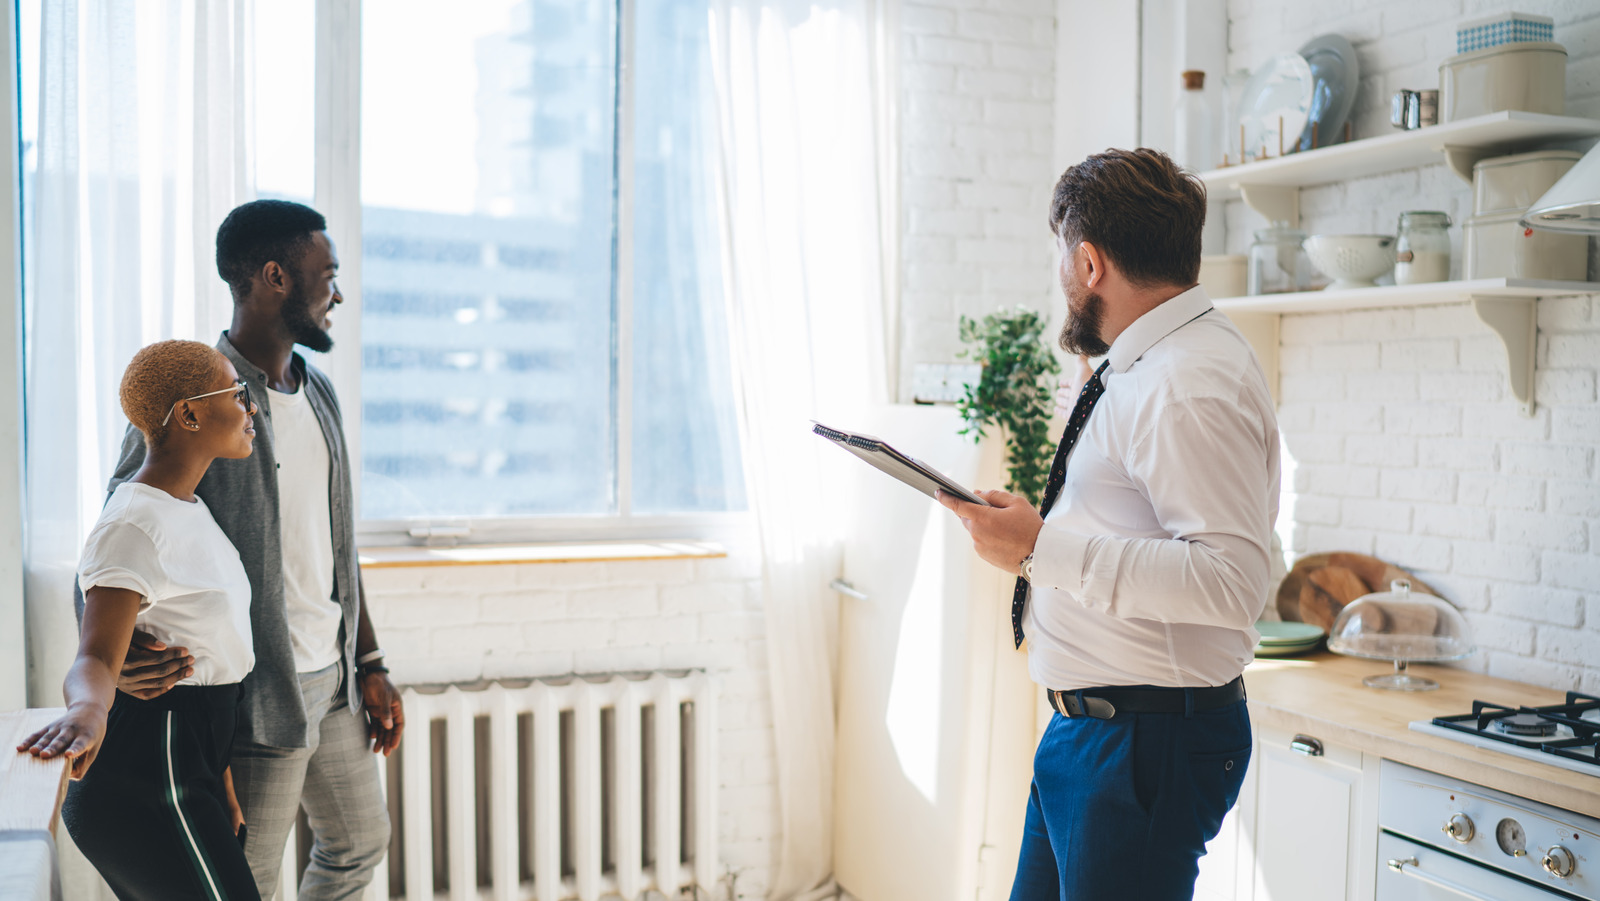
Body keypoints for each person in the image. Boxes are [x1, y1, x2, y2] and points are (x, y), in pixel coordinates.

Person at [937, 148, 1280, 900]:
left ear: (1089, 262)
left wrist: (1039, 547)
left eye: (1063, 256)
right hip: (1096, 733)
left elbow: (1231, 583)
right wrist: (1036, 547)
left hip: (1142, 743)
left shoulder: (1185, 381)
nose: (1062, 276)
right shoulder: (1146, 367)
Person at [96, 200, 404, 900]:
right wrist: (117, 655)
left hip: (334, 685)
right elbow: (119, 525)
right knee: (250, 882)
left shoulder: (318, 391)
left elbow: (336, 541)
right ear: (275, 277)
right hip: (257, 694)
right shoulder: (203, 399)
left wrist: (372, 660)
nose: (338, 293)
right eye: (326, 274)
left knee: (359, 843)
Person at [21, 340, 262, 900]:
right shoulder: (132, 522)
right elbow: (97, 657)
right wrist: (85, 709)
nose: (251, 409)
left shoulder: (189, 510)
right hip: (147, 776)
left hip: (187, 765)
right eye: (238, 393)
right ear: (190, 413)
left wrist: (218, 781)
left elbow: (205, 659)